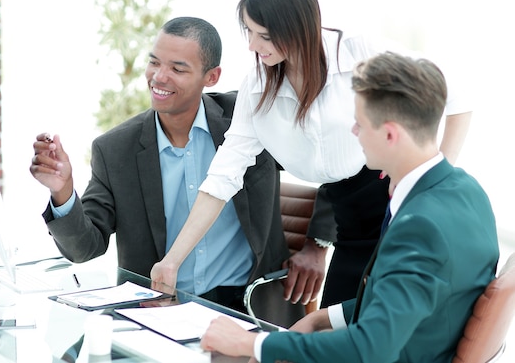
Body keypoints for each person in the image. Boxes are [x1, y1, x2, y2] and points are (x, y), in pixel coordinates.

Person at [151, 0, 473, 307]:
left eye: (263, 35)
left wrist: (431, 185)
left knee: (393, 331)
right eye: (248, 30)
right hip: (349, 220)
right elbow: (221, 179)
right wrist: (172, 261)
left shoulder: (358, 51)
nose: (251, 45)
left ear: (295, 28)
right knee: (336, 332)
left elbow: (457, 99)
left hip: (399, 202)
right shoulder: (258, 87)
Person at [199, 51, 499, 362]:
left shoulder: (419, 226)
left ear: (390, 134)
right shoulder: (467, 190)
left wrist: (253, 345)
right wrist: (324, 317)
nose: (353, 133)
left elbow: (371, 348)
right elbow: (411, 299)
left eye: (359, 124)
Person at [29, 16, 295, 313]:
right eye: (154, 62)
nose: (159, 77)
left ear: (212, 77)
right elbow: (85, 248)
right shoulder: (115, 150)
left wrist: (317, 246)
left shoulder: (249, 119)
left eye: (177, 68)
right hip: (160, 312)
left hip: (252, 307)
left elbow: (329, 155)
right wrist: (63, 192)